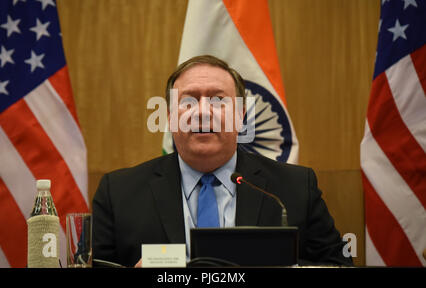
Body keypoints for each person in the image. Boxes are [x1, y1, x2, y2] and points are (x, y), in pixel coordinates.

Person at [92, 55, 353, 267]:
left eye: (218, 100)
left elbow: (338, 264)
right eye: (189, 101)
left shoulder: (294, 188)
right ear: (170, 117)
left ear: (240, 116)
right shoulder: (119, 193)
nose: (203, 111)